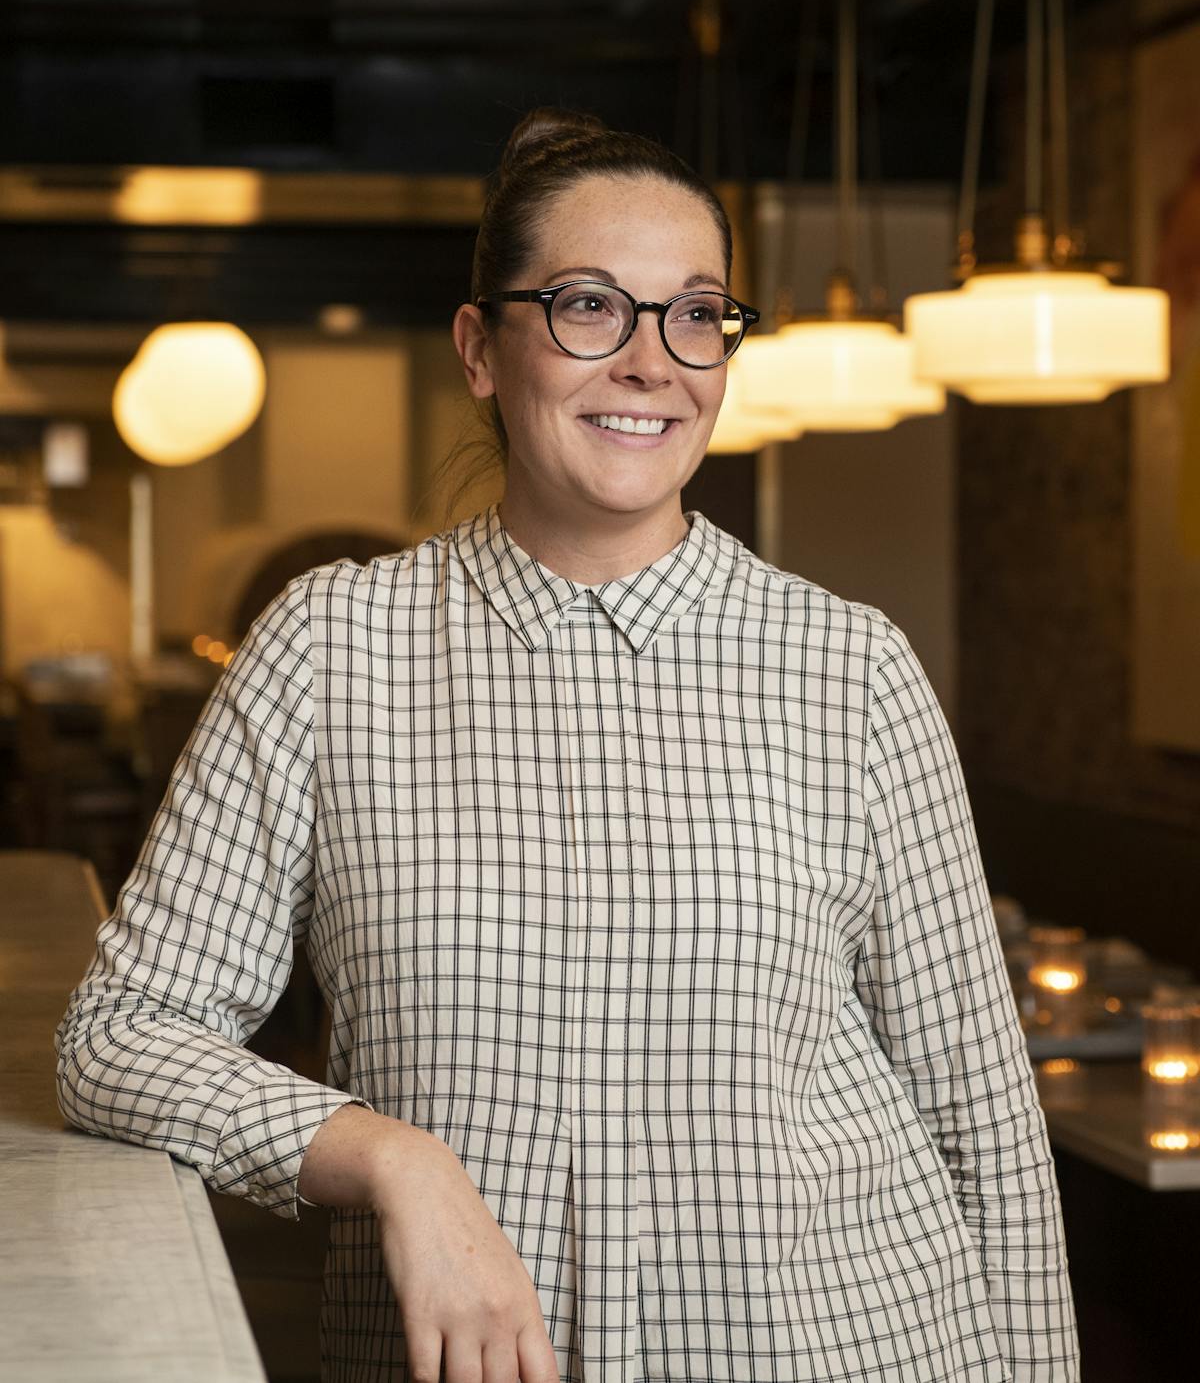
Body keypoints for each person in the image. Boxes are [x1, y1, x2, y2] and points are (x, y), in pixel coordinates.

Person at [56, 107, 1081, 1383]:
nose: (654, 361)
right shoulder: (333, 648)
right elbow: (121, 1038)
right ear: (482, 350)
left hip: (847, 1344)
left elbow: (980, 1113)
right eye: (592, 306)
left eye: (698, 314)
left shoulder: (850, 668)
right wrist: (392, 1159)